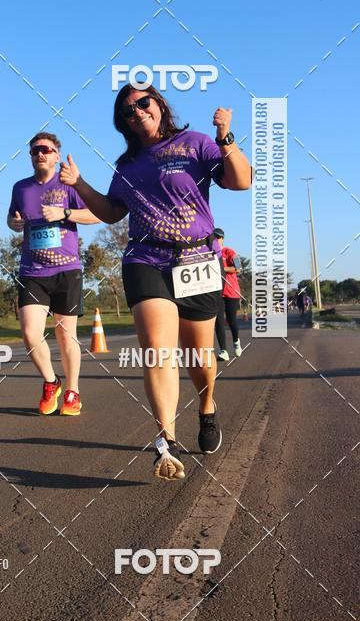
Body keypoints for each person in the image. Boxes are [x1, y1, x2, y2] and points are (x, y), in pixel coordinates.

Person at [59, 85, 252, 480]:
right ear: (123, 123)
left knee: (200, 356)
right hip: (146, 259)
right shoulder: (128, 165)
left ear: (159, 105)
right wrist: (79, 184)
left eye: (142, 103)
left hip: (197, 259)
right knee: (158, 351)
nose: (137, 112)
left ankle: (207, 408)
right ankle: (166, 442)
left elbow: (241, 181)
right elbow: (113, 213)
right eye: (127, 112)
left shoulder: (195, 143)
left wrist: (225, 137)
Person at [8, 133, 100, 416]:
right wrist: (13, 222)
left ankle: (72, 391)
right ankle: (51, 381)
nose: (40, 154)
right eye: (35, 150)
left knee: (65, 335)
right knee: (29, 333)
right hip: (33, 270)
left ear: (57, 155)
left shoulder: (67, 183)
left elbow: (97, 214)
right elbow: (13, 220)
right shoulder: (21, 188)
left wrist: (65, 212)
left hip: (66, 269)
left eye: (46, 150)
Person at [213, 228, 243, 360]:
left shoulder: (229, 252)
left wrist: (221, 269)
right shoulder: (210, 254)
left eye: (218, 238)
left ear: (222, 239)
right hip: (217, 293)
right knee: (218, 321)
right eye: (213, 238)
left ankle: (236, 342)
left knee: (231, 320)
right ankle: (223, 351)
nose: (216, 240)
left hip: (231, 292)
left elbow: (238, 268)